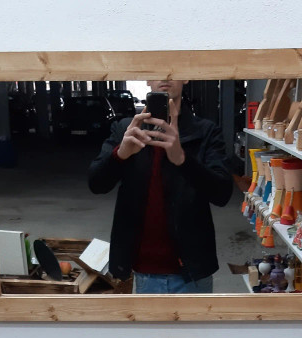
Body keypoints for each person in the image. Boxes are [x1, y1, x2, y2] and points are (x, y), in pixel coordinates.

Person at [87, 80, 232, 293]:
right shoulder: (127, 129)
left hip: (191, 272)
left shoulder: (206, 131)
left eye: (172, 68)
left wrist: (182, 159)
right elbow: (96, 184)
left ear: (186, 77)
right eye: (157, 69)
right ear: (147, 78)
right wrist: (121, 154)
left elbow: (222, 194)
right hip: (141, 272)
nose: (165, 76)